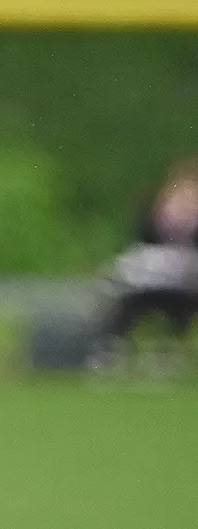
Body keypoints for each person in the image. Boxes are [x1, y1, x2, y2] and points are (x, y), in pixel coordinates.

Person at [92, 157, 198, 375]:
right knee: (128, 302)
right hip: (151, 279)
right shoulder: (152, 210)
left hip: (185, 284)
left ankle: (167, 352)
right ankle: (114, 350)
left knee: (181, 308)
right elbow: (140, 243)